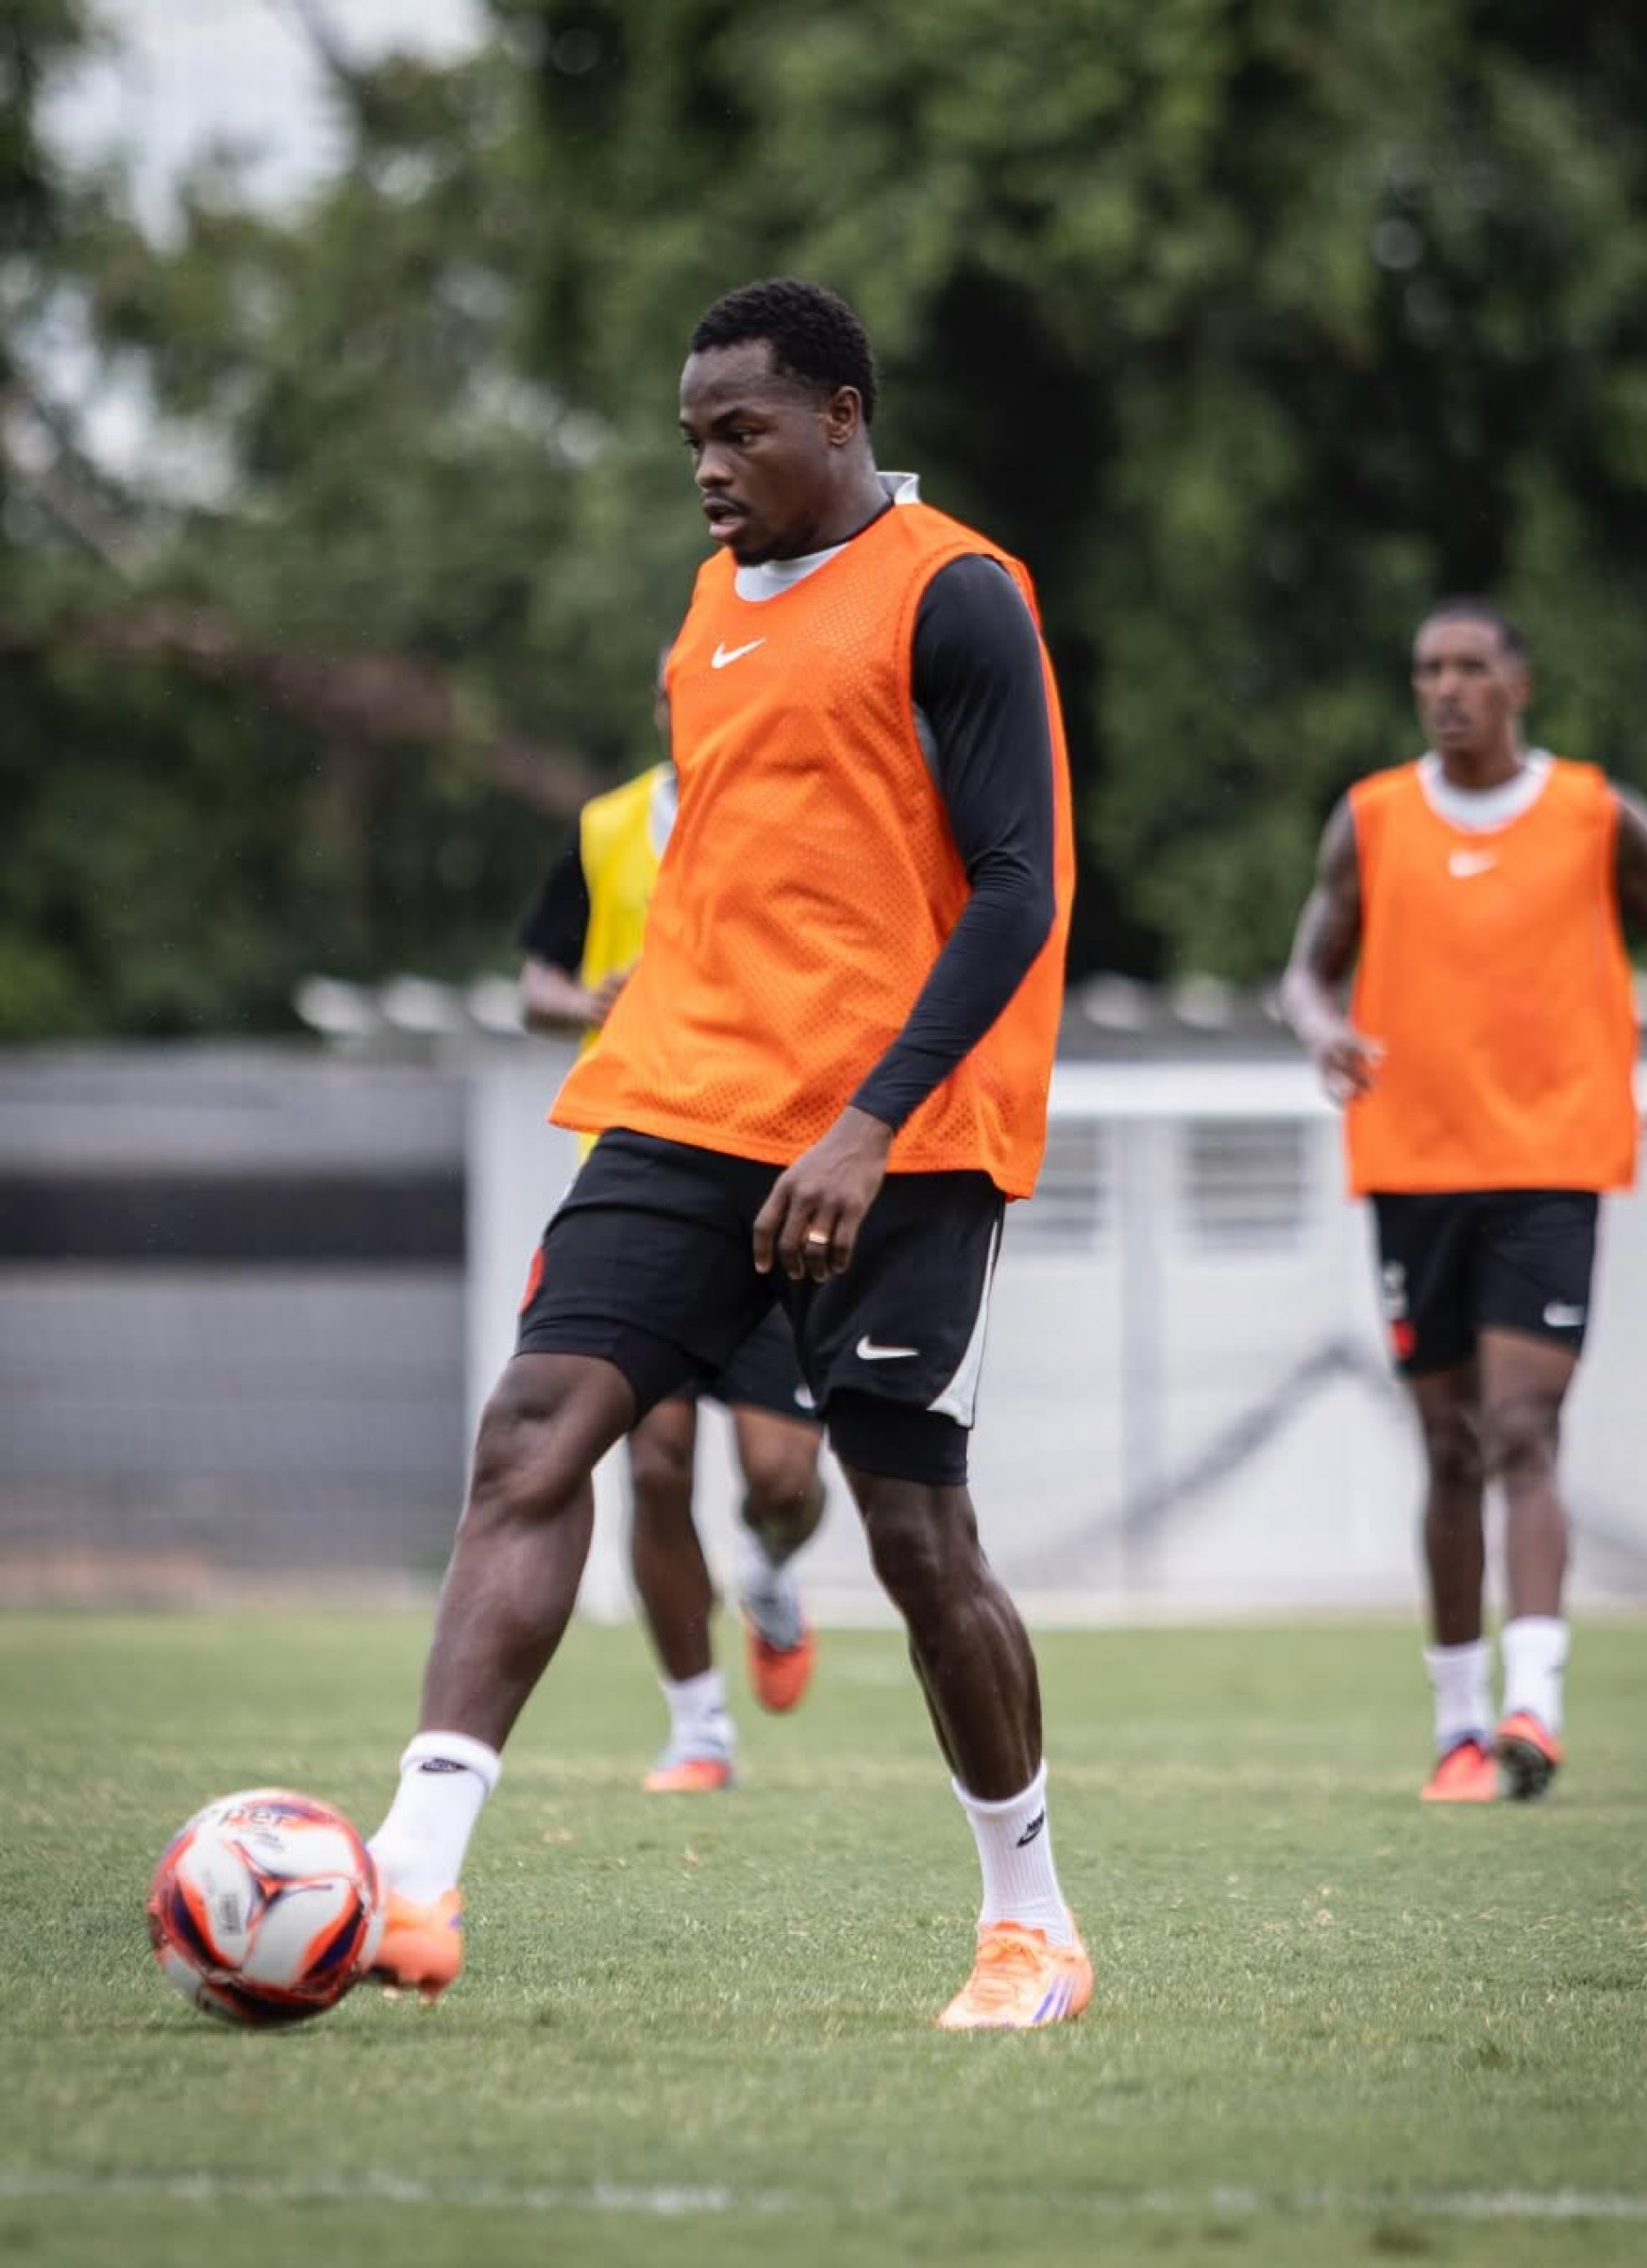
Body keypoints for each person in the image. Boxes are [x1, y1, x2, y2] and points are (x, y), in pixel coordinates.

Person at [362, 277, 1090, 2028]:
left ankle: (1030, 1920)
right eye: (693, 435)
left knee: (916, 1537)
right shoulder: (707, 610)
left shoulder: (960, 594)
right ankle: (410, 1870)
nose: (708, 465)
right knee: (531, 1439)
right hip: (683, 1100)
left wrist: (867, 1119)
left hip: (900, 1140)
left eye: (740, 428)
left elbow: (1017, 890)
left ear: (844, 414)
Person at [1280, 598, 1647, 1804]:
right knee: (1448, 1443)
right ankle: (1460, 1723)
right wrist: (1325, 1032)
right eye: (1430, 669)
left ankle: (1536, 1702)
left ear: (1518, 684)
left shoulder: (1596, 814)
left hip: (1549, 1166)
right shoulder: (1370, 820)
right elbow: (1306, 973)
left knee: (1522, 1429)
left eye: (1472, 667)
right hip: (1414, 1165)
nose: (1448, 688)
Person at [515, 652, 828, 1794]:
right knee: (652, 1463)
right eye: (672, 689)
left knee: (782, 1476)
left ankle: (772, 1568)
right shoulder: (607, 828)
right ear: (664, 701)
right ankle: (699, 1728)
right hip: (642, 1171)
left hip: (773, 1175)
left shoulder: (798, 815)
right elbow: (534, 984)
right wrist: (579, 1002)